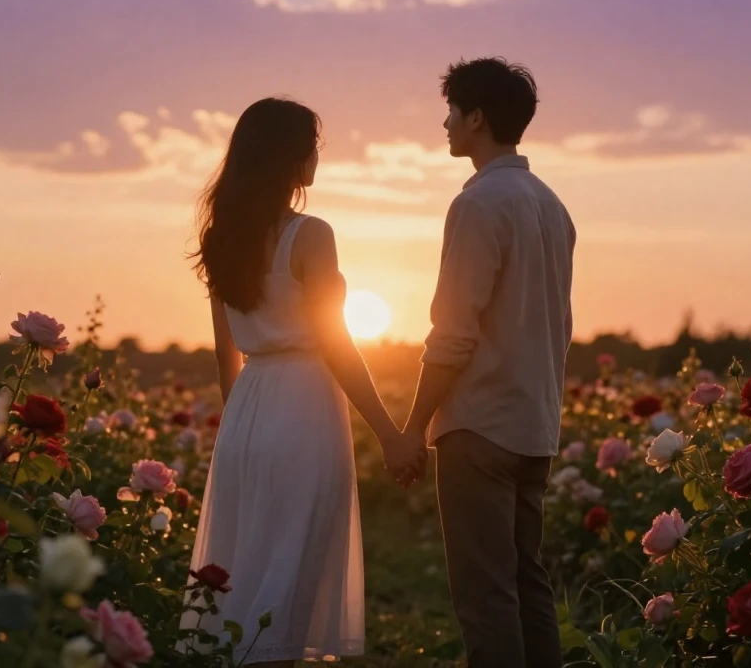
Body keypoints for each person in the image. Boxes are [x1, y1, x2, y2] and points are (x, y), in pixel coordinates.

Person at [183, 97, 412, 666]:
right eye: (313, 146)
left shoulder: (223, 236)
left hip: (247, 410)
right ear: (292, 158)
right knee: (290, 574)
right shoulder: (310, 234)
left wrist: (244, 429)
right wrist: (389, 431)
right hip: (304, 406)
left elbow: (224, 354)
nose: (317, 157)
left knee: (247, 567)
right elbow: (335, 342)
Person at [392, 58, 577, 668]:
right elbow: (559, 327)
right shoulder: (551, 206)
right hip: (534, 425)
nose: (445, 124)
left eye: (452, 111)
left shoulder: (478, 204)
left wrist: (415, 424)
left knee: (485, 597)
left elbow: (452, 334)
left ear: (476, 118)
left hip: (479, 425)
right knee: (530, 586)